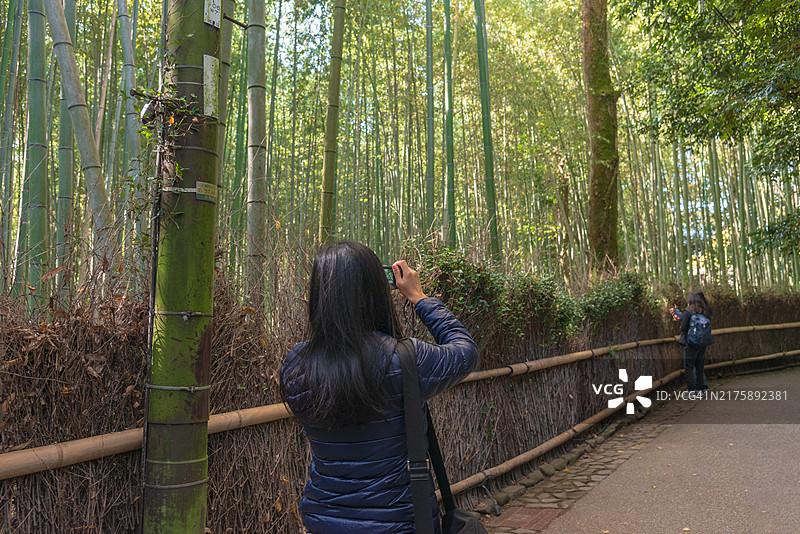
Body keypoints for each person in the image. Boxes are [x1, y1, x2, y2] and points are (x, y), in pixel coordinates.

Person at [280, 241, 479, 533]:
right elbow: (465, 350)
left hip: (323, 520)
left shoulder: (296, 364)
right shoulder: (405, 359)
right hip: (398, 523)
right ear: (375, 291)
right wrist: (420, 298)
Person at [670, 291, 712, 392]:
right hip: (702, 343)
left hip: (691, 343)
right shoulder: (705, 313)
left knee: (689, 367)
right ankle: (700, 388)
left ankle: (691, 390)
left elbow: (684, 328)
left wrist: (682, 325)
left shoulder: (688, 313)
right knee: (699, 366)